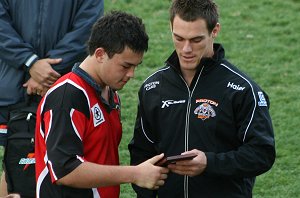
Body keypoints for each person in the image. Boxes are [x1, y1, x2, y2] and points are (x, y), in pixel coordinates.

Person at [128, 0, 276, 197]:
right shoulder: (152, 88)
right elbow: (141, 152)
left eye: (196, 40)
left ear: (214, 31)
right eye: (179, 38)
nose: (186, 49)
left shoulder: (242, 90)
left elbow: (261, 153)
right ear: (170, 27)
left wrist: (210, 163)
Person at [34, 11, 169, 198]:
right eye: (125, 66)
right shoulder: (67, 97)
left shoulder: (111, 94)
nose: (132, 74)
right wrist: (135, 173)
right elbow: (65, 169)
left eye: (135, 66)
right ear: (100, 54)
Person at [0, 0, 104, 196]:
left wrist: (44, 70)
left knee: (66, 161)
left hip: (63, 88)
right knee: (15, 162)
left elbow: (88, 27)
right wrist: (29, 61)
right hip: (16, 86)